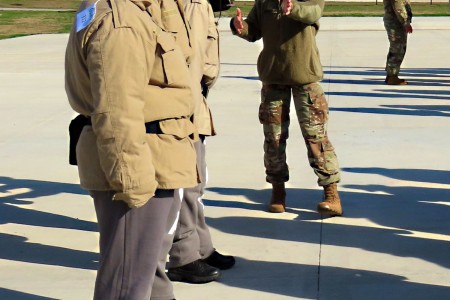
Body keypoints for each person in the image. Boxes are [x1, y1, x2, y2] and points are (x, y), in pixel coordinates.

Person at [65, 0, 198, 299]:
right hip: (140, 162)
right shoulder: (121, 21)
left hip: (153, 155)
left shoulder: (123, 10)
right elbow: (117, 110)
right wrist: (132, 181)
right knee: (126, 285)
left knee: (142, 275)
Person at [145, 0, 235, 288]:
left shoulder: (201, 4)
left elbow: (205, 53)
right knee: (177, 187)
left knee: (196, 183)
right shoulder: (165, 4)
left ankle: (200, 247)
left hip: (195, 103)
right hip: (174, 107)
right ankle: (182, 256)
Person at [230, 0, 343, 216]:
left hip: (305, 77)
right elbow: (254, 30)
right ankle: (277, 191)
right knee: (273, 138)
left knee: (315, 137)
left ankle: (331, 193)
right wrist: (240, 26)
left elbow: (313, 13)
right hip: (273, 76)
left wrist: (294, 9)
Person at [383, 0, 413, 85]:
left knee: (396, 48)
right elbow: (398, 5)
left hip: (396, 21)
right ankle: (392, 76)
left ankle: (391, 75)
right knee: (398, 49)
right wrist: (406, 22)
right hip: (396, 23)